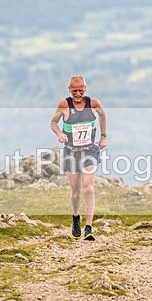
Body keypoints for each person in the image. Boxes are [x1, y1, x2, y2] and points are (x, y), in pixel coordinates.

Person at [50, 75, 107, 240]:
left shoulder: (94, 104)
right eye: (74, 90)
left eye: (80, 90)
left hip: (90, 151)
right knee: (76, 192)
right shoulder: (64, 105)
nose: (78, 93)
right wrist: (59, 133)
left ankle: (89, 227)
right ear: (69, 90)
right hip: (71, 152)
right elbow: (53, 122)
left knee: (89, 188)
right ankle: (76, 217)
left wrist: (103, 136)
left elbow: (103, 116)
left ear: (85, 88)